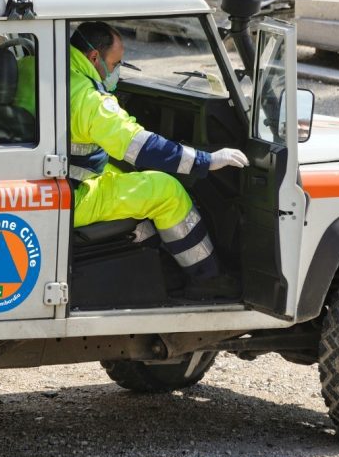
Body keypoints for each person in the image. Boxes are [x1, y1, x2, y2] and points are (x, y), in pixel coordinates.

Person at [68, 21, 249, 298]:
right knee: (166, 191)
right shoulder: (89, 99)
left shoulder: (41, 66)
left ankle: (159, 261)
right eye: (116, 64)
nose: (117, 71)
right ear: (94, 57)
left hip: (53, 184)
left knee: (124, 172)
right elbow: (142, 147)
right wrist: (206, 160)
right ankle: (207, 278)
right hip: (70, 197)